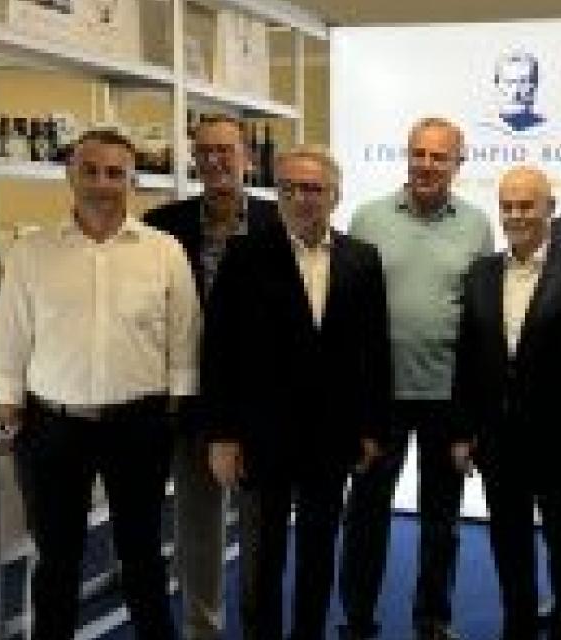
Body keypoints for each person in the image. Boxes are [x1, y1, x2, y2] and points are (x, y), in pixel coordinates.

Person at [0, 129, 200, 640]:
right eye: (90, 170)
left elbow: (185, 333)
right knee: (57, 560)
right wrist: (5, 402)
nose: (102, 183)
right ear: (70, 175)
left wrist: (178, 404)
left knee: (142, 555)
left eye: (114, 173)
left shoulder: (164, 252)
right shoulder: (32, 253)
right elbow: (10, 332)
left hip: (139, 426)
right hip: (53, 428)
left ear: (132, 180)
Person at [204, 145, 390, 640]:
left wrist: (372, 427)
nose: (300, 199)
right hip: (261, 436)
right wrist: (222, 435)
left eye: (312, 189)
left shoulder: (362, 259)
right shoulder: (244, 256)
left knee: (318, 551)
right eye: (288, 189)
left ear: (335, 195)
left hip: (333, 435)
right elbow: (219, 351)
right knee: (261, 558)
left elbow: (374, 351)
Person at [339, 117, 494, 640]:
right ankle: (357, 618)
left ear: (458, 164)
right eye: (419, 154)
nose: (427, 165)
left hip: (447, 396)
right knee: (366, 514)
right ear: (407, 157)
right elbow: (350, 314)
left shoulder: (477, 226)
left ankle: (433, 618)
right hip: (378, 397)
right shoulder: (368, 218)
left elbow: (481, 321)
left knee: (441, 520)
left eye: (439, 157)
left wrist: (474, 414)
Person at [450, 166, 561, 640]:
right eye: (508, 206)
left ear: (550, 209)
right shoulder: (481, 273)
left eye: (527, 205)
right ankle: (518, 626)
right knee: (509, 545)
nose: (516, 215)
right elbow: (467, 358)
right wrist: (462, 432)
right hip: (498, 440)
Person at [141, 112, 277, 640]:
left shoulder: (277, 221)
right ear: (193, 158)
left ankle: (259, 627)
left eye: (227, 150)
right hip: (191, 400)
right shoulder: (161, 226)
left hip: (261, 402)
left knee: (262, 529)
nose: (216, 160)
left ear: (248, 157)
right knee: (197, 526)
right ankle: (203, 628)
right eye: (205, 150)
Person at [494, 51, 546, 133]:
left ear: (534, 83)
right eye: (510, 82)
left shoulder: (546, 128)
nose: (516, 89)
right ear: (498, 83)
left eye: (523, 81)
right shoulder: (488, 128)